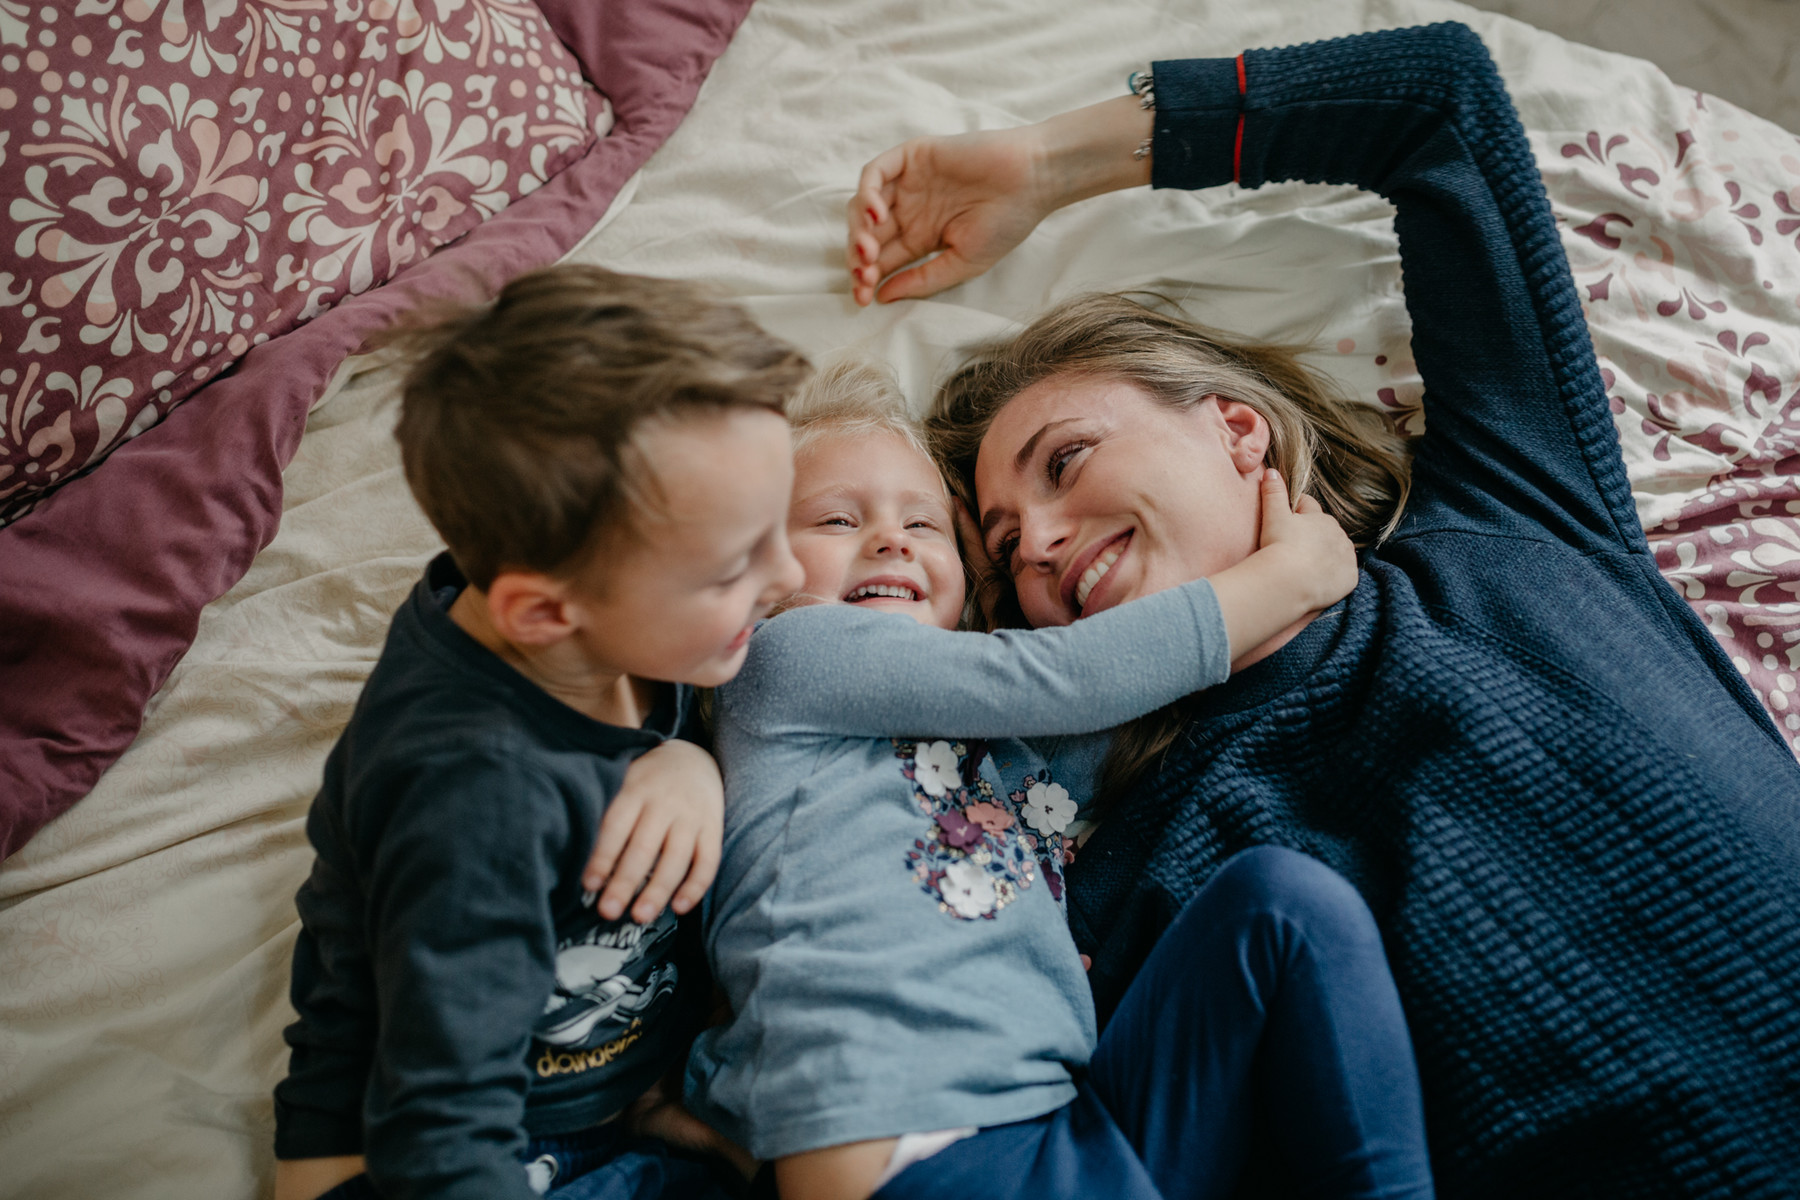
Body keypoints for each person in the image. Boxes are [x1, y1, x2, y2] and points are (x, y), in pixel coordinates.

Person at [848, 21, 1800, 1193]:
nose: (1037, 546)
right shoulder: (1140, 868)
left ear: (1233, 425)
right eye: (1005, 550)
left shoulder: (1513, 513)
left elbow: (1435, 104)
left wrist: (1051, 165)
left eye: (1065, 461)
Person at [686, 361, 1432, 1200]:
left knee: (1284, 908)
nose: (892, 539)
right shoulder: (785, 658)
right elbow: (1071, 675)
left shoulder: (995, 753)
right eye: (835, 518)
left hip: (1066, 1126)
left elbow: (1129, 694)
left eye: (927, 526)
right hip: (920, 1143)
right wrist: (1285, 579)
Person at [271, 265, 807, 1200]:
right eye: (733, 567)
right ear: (543, 613)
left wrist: (684, 760)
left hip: (602, 1084)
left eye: (781, 529)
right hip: (433, 1149)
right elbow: (435, 1126)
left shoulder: (593, 608)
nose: (790, 573)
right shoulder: (476, 798)